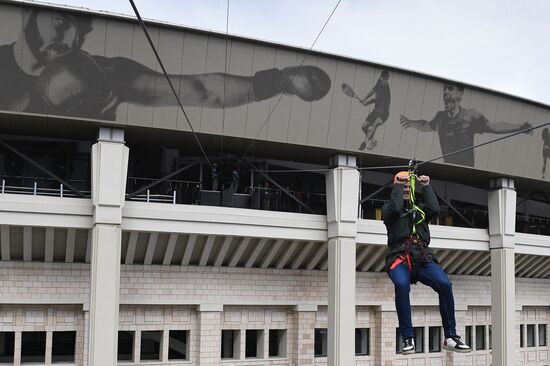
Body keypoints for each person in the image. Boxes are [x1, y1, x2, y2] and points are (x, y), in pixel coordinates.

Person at [0, 9, 331, 121]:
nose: (68, 36)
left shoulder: (105, 75)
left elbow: (200, 92)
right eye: (60, 21)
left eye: (79, 31)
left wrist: (277, 81)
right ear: (31, 12)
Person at [382, 170, 471, 354]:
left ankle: (450, 337)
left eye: (408, 186)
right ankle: (408, 337)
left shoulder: (421, 209)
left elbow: (435, 209)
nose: (406, 189)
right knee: (401, 285)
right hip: (400, 256)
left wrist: (426, 186)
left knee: (445, 284)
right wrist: (398, 185)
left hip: (422, 256)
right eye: (403, 186)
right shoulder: (389, 210)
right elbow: (397, 207)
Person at [400, 84, 532, 166]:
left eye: (450, 89)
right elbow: (425, 125)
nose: (445, 92)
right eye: (444, 89)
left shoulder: (471, 115)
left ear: (460, 93)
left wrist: (519, 127)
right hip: (448, 170)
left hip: (467, 169)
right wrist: (410, 122)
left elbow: (494, 127)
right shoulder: (440, 117)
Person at [359, 70, 391, 150]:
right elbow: (373, 90)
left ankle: (365, 142)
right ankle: (373, 140)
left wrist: (366, 102)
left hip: (384, 113)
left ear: (386, 79)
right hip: (376, 111)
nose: (382, 80)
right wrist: (365, 98)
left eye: (384, 79)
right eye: (382, 78)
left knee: (375, 124)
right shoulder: (380, 81)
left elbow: (375, 99)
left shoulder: (385, 87)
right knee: (364, 127)